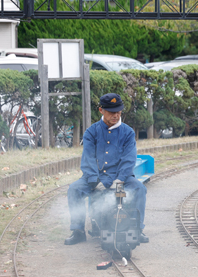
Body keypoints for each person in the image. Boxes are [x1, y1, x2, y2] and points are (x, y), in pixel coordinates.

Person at [64, 93, 149, 245]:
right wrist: (95, 181)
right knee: (74, 189)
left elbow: (129, 159)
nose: (115, 115)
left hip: (121, 178)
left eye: (118, 111)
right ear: (101, 110)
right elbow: (88, 159)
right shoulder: (91, 132)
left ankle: (138, 229)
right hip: (95, 178)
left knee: (139, 189)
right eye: (111, 112)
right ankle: (78, 231)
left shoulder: (128, 132)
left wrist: (120, 180)